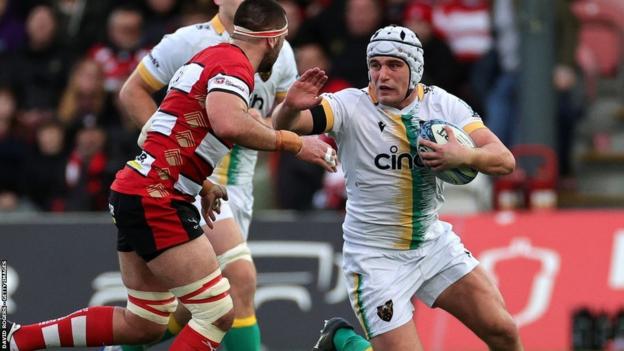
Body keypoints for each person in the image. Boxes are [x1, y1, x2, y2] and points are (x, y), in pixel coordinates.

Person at [6, 1, 335, 350]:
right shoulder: (233, 63)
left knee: (146, 322)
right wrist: (295, 144)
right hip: (160, 197)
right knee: (219, 310)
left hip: (144, 187)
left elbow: (163, 131)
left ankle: (17, 339)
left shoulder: (210, 57)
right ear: (273, 40)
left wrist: (200, 181)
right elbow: (229, 122)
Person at [272, 25, 522, 351]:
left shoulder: (444, 105)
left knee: (504, 330)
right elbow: (285, 125)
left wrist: (466, 154)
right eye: (375, 65)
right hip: (376, 258)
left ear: (414, 68)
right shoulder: (349, 106)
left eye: (394, 65)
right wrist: (290, 107)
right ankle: (343, 341)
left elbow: (504, 160)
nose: (382, 75)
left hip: (432, 244)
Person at [111, 0, 334, 349]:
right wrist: (167, 147)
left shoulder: (280, 50)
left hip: (237, 190)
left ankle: (122, 344)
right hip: (191, 181)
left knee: (184, 312)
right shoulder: (187, 41)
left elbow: (274, 122)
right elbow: (132, 91)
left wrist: (287, 109)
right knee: (240, 280)